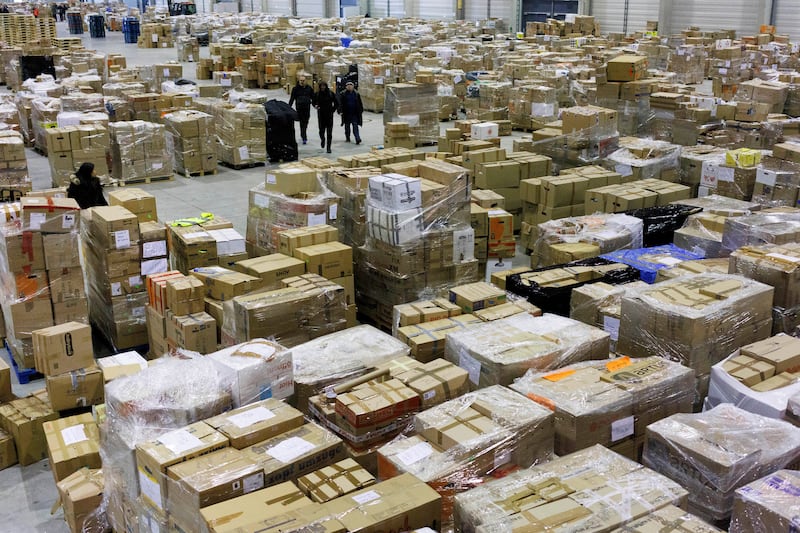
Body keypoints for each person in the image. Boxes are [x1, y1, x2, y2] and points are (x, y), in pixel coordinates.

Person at [313, 81, 338, 154]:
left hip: (329, 115)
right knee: (321, 131)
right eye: (321, 86)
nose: (323, 87)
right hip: (321, 115)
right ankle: (322, 139)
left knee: (329, 133)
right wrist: (315, 106)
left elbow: (336, 102)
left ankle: (328, 147)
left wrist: (333, 110)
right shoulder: (317, 94)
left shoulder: (330, 94)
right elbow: (313, 102)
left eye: (324, 86)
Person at [288, 76, 314, 145]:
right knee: (302, 123)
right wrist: (288, 107)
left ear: (306, 81)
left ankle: (303, 135)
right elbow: (292, 98)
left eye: (303, 80)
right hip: (299, 109)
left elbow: (313, 98)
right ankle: (304, 137)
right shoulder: (295, 89)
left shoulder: (309, 88)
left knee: (305, 123)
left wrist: (316, 105)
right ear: (299, 81)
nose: (302, 82)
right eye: (301, 81)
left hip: (307, 108)